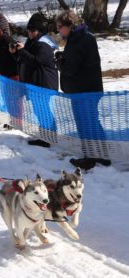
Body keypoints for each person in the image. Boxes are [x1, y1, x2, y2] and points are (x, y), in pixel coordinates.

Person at [55, 9, 111, 170]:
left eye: (60, 26)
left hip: (83, 91)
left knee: (85, 123)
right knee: (92, 121)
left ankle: (90, 157)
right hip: (89, 89)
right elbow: (77, 62)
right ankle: (102, 155)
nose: (58, 30)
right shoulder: (84, 37)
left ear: (69, 25)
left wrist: (59, 62)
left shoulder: (78, 41)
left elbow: (71, 69)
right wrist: (63, 57)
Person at [9, 13, 58, 148]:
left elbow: (37, 61)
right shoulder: (32, 42)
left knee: (42, 109)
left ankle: (48, 138)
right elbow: (24, 61)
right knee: (39, 110)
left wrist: (23, 51)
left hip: (43, 83)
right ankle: (47, 136)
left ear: (39, 31)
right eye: (28, 30)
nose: (30, 33)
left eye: (33, 30)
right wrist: (16, 53)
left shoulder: (43, 44)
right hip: (35, 83)